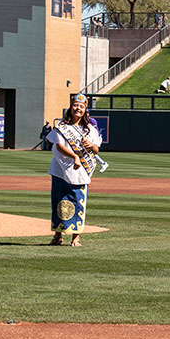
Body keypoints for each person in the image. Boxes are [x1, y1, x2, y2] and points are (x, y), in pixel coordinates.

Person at [47, 93, 103, 246]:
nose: (78, 108)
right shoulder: (62, 127)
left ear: (85, 110)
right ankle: (57, 236)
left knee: (78, 202)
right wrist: (74, 157)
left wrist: (90, 146)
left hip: (81, 172)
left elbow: (96, 149)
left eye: (81, 106)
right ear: (71, 107)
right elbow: (59, 146)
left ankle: (76, 238)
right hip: (61, 169)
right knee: (59, 202)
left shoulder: (90, 129)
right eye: (75, 105)